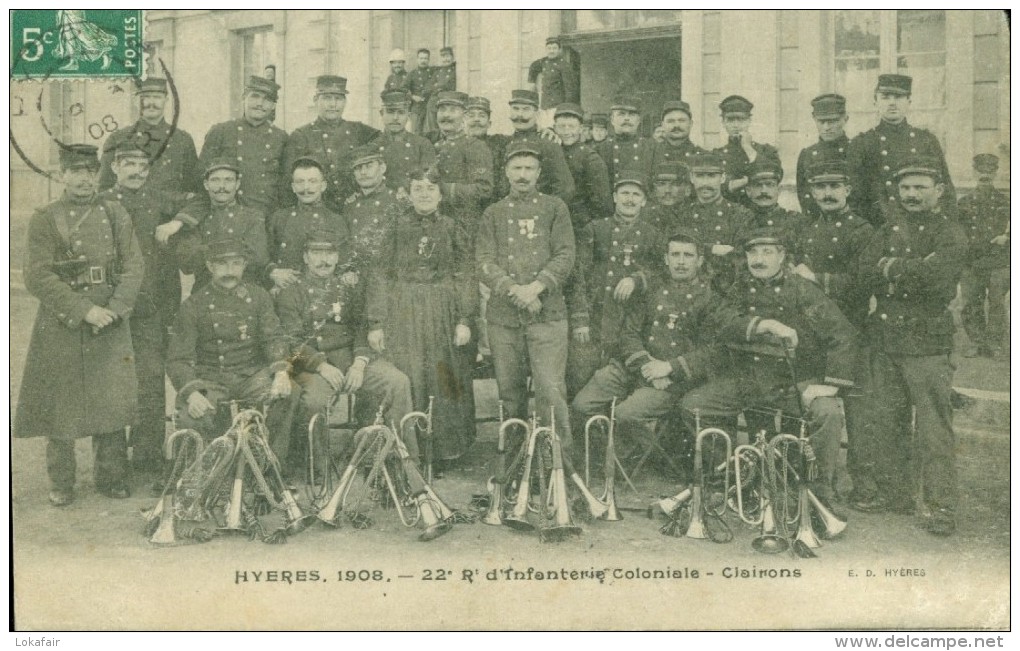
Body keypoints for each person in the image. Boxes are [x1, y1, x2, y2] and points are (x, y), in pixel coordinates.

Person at [680, 227, 857, 506]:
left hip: (795, 382)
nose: (758, 259)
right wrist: (765, 325)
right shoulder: (739, 287)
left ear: (782, 256)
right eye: (753, 252)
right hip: (749, 379)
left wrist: (830, 385)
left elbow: (842, 335)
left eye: (767, 252)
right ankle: (730, 476)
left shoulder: (802, 290)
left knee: (827, 413)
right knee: (694, 405)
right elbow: (719, 319)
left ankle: (818, 492)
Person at [15, 144, 143, 506]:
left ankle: (112, 477)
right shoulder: (45, 218)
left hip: (110, 317)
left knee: (111, 398)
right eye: (76, 171)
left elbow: (134, 265)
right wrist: (84, 310)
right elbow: (37, 276)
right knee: (61, 401)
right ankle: (62, 481)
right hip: (64, 319)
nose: (84, 179)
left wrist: (115, 308)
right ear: (61, 175)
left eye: (90, 171)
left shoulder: (115, 212)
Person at [853, 159, 967, 536]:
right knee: (889, 421)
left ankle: (940, 506)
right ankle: (896, 494)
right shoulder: (887, 229)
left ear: (939, 191)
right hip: (885, 339)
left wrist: (893, 268)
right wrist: (909, 267)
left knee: (933, 429)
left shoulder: (950, 233)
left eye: (920, 187)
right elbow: (866, 270)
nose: (912, 195)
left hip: (927, 343)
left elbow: (938, 279)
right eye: (906, 189)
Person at [573, 231, 752, 457]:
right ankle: (617, 457)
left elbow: (712, 350)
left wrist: (669, 368)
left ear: (700, 260)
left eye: (688, 255)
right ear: (666, 259)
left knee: (625, 414)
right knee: (582, 406)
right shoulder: (651, 290)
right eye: (675, 254)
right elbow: (629, 334)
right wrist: (649, 367)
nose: (681, 261)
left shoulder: (711, 299)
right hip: (635, 367)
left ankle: (652, 458)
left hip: (672, 379)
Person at [276, 230, 414, 473]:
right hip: (312, 363)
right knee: (315, 400)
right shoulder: (291, 292)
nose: (324, 260)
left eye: (330, 254)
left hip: (351, 359)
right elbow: (290, 341)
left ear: (338, 257)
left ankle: (399, 460)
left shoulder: (348, 287)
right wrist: (320, 365)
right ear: (306, 258)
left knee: (397, 381)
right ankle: (318, 467)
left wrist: (360, 363)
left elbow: (362, 325)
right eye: (317, 253)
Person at [368, 168, 477, 468]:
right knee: (411, 374)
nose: (425, 193)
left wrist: (465, 319)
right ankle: (407, 451)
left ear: (441, 194)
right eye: (418, 188)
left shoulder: (453, 228)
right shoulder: (396, 227)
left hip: (443, 310)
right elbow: (380, 274)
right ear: (409, 193)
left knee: (443, 375)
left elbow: (465, 274)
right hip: (403, 312)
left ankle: (445, 453)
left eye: (431, 188)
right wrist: (376, 322)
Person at [166, 238, 301, 472]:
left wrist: (281, 371)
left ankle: (270, 468)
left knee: (288, 392)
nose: (230, 271)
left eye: (236, 264)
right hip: (211, 378)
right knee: (191, 416)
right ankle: (202, 475)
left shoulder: (259, 297)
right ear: (209, 267)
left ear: (245, 265)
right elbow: (178, 358)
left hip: (251, 376)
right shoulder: (194, 305)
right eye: (222, 264)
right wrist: (192, 393)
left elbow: (273, 338)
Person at [100, 143, 192, 481]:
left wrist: (177, 223)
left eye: (142, 163)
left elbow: (197, 201)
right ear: (114, 168)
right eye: (128, 163)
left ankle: (148, 457)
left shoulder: (160, 200)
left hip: (151, 308)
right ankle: (110, 469)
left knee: (152, 380)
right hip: (112, 309)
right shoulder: (103, 203)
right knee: (110, 385)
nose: (136, 170)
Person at [477, 143, 576, 444]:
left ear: (539, 173)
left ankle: (559, 467)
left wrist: (535, 288)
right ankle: (514, 464)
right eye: (516, 168)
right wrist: (513, 290)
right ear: (506, 172)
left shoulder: (555, 208)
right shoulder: (493, 213)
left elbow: (565, 254)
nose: (522, 175)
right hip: (504, 318)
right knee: (510, 394)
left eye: (529, 169)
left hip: (547, 316)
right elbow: (484, 261)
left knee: (550, 390)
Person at [576, 175, 663, 379]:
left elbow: (663, 273)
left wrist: (637, 279)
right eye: (625, 193)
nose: (630, 200)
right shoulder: (596, 229)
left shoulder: (653, 235)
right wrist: (580, 319)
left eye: (636, 195)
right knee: (582, 378)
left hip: (633, 321)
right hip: (596, 317)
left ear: (644, 201)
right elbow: (578, 276)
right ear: (615, 197)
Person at [846, 74, 956, 226]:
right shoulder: (862, 143)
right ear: (875, 102)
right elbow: (855, 197)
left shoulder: (926, 140)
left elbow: (946, 191)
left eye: (898, 97)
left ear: (908, 101)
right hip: (879, 227)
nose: (892, 103)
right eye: (885, 97)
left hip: (923, 226)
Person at [284, 75, 381, 212]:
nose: (333, 104)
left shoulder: (357, 130)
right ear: (315, 100)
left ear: (345, 102)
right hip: (317, 212)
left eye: (338, 98)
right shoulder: (301, 135)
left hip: (353, 210)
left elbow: (383, 141)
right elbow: (288, 183)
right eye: (327, 98)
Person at [99, 77, 202, 195]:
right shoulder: (117, 138)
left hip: (171, 211)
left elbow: (193, 188)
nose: (151, 103)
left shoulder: (182, 139)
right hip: (127, 211)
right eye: (145, 98)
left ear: (166, 100)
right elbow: (104, 187)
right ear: (135, 101)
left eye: (157, 97)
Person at [199, 75, 288, 213]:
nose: (260, 103)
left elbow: (284, 185)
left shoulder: (281, 137)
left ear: (273, 106)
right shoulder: (221, 131)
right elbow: (200, 177)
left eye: (267, 100)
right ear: (243, 98)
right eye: (255, 96)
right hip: (226, 213)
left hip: (264, 215)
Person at [177, 159, 269, 288]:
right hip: (205, 290)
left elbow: (258, 258)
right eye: (215, 180)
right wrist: (236, 247)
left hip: (246, 290)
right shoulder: (195, 218)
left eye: (228, 180)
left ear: (237, 184)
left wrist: (208, 249)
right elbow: (187, 264)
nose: (222, 186)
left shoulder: (253, 217)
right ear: (206, 184)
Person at [266, 156, 347, 293]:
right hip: (285, 291)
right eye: (300, 182)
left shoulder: (336, 221)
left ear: (323, 186)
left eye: (312, 181)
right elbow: (265, 257)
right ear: (293, 187)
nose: (306, 188)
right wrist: (274, 272)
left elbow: (343, 266)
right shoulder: (279, 218)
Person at [958, 153, 1010, 358]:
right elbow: (956, 230)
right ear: (974, 172)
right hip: (971, 261)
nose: (985, 175)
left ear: (996, 173)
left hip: (998, 260)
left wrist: (1008, 238)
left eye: (989, 171)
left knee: (997, 302)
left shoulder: (1006, 201)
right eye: (981, 170)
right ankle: (976, 341)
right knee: (971, 302)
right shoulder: (963, 202)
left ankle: (995, 343)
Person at [679, 151, 753, 291]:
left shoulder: (740, 214)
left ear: (723, 177)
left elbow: (743, 256)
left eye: (712, 176)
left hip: (727, 290)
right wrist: (712, 249)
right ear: (692, 178)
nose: (706, 183)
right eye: (700, 176)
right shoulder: (682, 215)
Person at [433, 91, 494, 241]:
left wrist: (443, 189)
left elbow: (484, 189)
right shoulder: (433, 145)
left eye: (453, 110)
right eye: (442, 110)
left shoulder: (475, 146)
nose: (446, 115)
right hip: (435, 223)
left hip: (464, 227)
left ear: (464, 116)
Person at [496, 90, 575, 205]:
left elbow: (565, 188)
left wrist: (543, 211)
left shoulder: (548, 144)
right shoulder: (504, 143)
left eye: (526, 109)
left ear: (537, 114)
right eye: (516, 109)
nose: (519, 115)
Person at [342, 146, 402, 275]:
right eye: (358, 168)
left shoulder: (397, 202)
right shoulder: (350, 205)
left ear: (382, 168)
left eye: (369, 166)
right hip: (354, 275)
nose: (363, 172)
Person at [713, 95, 781, 210]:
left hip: (760, 213)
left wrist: (747, 147)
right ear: (723, 122)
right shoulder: (716, 155)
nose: (735, 125)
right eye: (730, 120)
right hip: (729, 215)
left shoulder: (767, 151)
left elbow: (773, 176)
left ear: (749, 121)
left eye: (741, 119)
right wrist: (748, 180)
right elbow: (717, 187)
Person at [553, 102, 611, 231]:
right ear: (554, 128)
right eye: (562, 126)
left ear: (580, 129)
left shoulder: (590, 157)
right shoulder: (551, 151)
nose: (567, 131)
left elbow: (601, 201)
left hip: (579, 224)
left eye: (572, 126)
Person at [796, 94, 850, 218]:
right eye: (821, 121)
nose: (826, 127)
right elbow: (804, 198)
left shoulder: (857, 151)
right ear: (814, 119)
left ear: (845, 119)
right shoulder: (807, 155)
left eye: (832, 121)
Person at [371, 90, 437, 190]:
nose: (395, 118)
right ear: (381, 113)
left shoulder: (422, 145)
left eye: (401, 112)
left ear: (409, 116)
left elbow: (429, 181)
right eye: (390, 112)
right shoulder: (372, 145)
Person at [735, 158, 804, 252]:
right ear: (748, 191)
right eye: (758, 185)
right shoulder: (737, 221)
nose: (764, 191)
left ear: (778, 190)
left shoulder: (796, 221)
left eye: (770, 185)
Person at [596, 95, 655, 186]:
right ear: (612, 120)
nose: (626, 118)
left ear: (638, 120)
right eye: (621, 114)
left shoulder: (651, 148)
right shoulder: (600, 149)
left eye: (632, 114)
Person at [528, 37, 581, 128]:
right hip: (544, 105)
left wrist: (566, 108)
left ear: (559, 50)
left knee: (554, 129)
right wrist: (532, 82)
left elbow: (569, 89)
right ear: (546, 49)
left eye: (554, 48)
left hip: (557, 106)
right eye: (549, 48)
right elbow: (533, 66)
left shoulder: (564, 65)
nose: (551, 51)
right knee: (543, 129)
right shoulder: (543, 62)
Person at [652, 100, 705, 168]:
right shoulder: (650, 156)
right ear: (663, 125)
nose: (676, 125)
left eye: (682, 120)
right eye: (670, 121)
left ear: (690, 124)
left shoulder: (701, 156)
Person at [643, 162, 691, 235]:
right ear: (654, 189)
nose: (667, 190)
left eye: (675, 184)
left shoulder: (693, 217)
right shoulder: (644, 217)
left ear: (688, 189)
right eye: (661, 184)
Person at [424, 47, 457, 140]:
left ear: (452, 57)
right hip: (435, 101)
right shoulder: (438, 72)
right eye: (443, 57)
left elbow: (449, 86)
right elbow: (428, 87)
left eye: (448, 56)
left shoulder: (455, 70)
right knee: (432, 122)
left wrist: (438, 86)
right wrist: (438, 87)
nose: (446, 59)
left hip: (448, 100)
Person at [407, 48, 432, 135]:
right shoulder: (412, 74)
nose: (423, 61)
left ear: (428, 60)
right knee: (415, 132)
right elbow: (402, 89)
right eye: (421, 58)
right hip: (416, 108)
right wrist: (413, 97)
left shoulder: (433, 72)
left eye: (425, 58)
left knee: (429, 132)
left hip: (429, 107)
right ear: (417, 59)